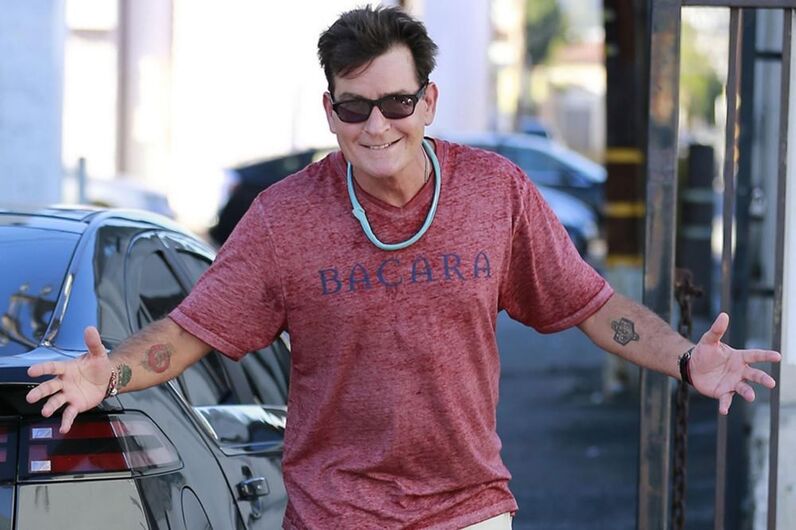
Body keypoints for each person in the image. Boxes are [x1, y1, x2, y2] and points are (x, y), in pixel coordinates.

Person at [25, 6, 780, 530]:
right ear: (330, 111)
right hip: (335, 515)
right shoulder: (285, 217)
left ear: (429, 101)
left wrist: (687, 359)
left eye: (396, 102)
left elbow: (591, 305)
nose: (377, 125)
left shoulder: (495, 191)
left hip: (468, 511)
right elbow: (192, 331)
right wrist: (108, 373)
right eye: (355, 108)